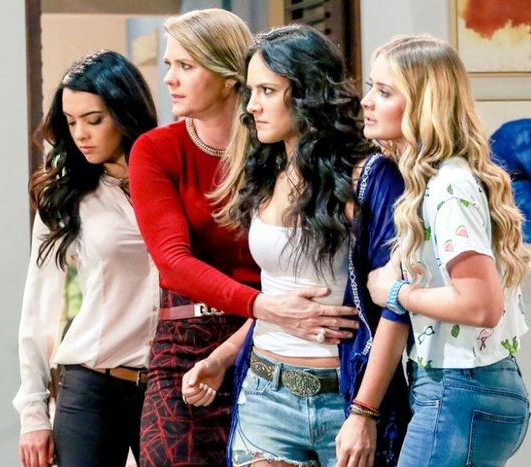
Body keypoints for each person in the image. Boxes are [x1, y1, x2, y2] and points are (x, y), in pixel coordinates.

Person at [129, 10, 359, 467]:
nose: (169, 78)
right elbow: (172, 262)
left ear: (228, 76)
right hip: (202, 335)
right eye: (169, 65)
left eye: (185, 65)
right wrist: (264, 310)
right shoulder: (158, 149)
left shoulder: (275, 150)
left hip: (285, 339)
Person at [181, 25, 410, 467]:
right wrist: (221, 358)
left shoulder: (370, 176)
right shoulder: (265, 172)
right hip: (265, 391)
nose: (252, 105)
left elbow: (395, 309)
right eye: (251, 91)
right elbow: (281, 297)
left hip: (343, 398)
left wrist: (364, 412)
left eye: (267, 91)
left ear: (308, 93)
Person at [342, 34, 531, 466]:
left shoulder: (449, 187)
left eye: (384, 91)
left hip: (459, 389)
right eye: (372, 87)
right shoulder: (436, 181)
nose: (367, 101)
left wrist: (396, 293)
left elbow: (481, 304)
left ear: (423, 105)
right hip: (466, 387)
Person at [13, 50, 158, 467]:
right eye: (71, 122)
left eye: (93, 120)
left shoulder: (172, 180)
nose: (80, 135)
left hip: (170, 384)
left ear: (125, 112)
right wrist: (33, 413)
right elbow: (39, 306)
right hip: (92, 388)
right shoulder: (67, 197)